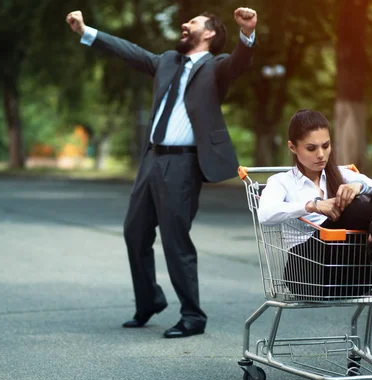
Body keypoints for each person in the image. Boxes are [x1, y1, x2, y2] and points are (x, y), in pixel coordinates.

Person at [66, 7, 258, 337]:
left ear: (209, 33)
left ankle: (193, 316)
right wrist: (87, 31)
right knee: (134, 231)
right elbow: (130, 51)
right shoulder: (168, 60)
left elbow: (241, 62)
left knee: (174, 239)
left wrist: (248, 33)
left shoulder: (217, 67)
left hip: (182, 165)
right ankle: (149, 300)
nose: (185, 24)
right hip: (152, 159)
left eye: (193, 23)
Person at [258, 109, 372, 299]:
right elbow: (265, 214)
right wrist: (312, 205)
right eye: (311, 148)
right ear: (292, 147)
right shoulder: (281, 182)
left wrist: (358, 186)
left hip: (353, 276)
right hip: (307, 276)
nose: (321, 155)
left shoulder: (340, 174)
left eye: (326, 145)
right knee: (349, 208)